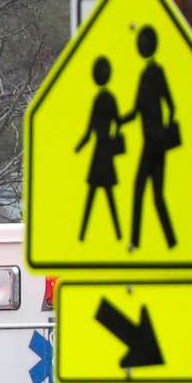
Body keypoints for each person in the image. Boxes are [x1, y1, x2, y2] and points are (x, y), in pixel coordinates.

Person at [127, 25, 179, 251]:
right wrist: (119, 121)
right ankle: (170, 241)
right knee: (155, 194)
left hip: (153, 143)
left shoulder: (154, 72)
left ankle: (137, 242)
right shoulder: (147, 72)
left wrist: (164, 131)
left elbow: (171, 104)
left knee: (141, 189)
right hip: (153, 141)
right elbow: (138, 109)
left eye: (143, 42)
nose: (140, 46)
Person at [73, 56, 125, 243]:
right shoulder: (108, 98)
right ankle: (117, 234)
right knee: (104, 195)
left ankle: (85, 234)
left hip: (99, 152)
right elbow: (117, 122)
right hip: (105, 152)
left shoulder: (101, 99)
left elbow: (90, 130)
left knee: (95, 195)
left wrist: (79, 147)